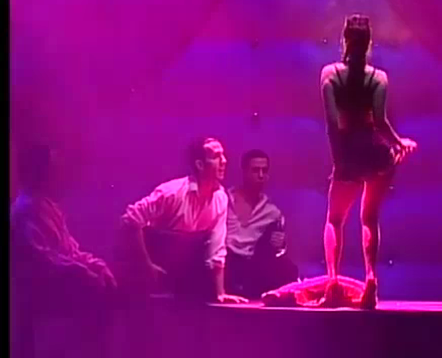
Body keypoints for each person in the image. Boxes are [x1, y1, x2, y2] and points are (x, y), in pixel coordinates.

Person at [319, 14, 417, 309]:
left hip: (348, 154)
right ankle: (371, 276)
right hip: (375, 154)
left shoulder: (330, 75)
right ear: (369, 43)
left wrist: (340, 160)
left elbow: (332, 124)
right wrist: (399, 143)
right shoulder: (379, 78)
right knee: (369, 218)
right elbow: (381, 122)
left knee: (334, 220)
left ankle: (333, 280)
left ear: (344, 40)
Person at [10, 143, 116, 358]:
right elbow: (44, 261)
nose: (59, 173)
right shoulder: (25, 210)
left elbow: (70, 250)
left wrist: (98, 266)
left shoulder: (47, 207)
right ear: (38, 171)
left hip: (63, 304)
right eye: (53, 167)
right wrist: (86, 274)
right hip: (45, 310)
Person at [118, 137, 247, 304]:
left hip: (182, 275)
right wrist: (145, 264)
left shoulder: (220, 198)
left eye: (223, 155)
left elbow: (217, 249)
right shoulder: (172, 192)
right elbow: (130, 220)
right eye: (216, 156)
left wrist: (220, 293)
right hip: (149, 273)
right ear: (200, 165)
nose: (224, 161)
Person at [225, 149, 299, 299]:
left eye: (264, 171)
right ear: (244, 172)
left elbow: (278, 247)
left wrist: (280, 244)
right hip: (226, 258)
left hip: (252, 264)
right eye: (255, 170)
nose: (260, 175)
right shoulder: (224, 199)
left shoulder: (272, 212)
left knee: (288, 269)